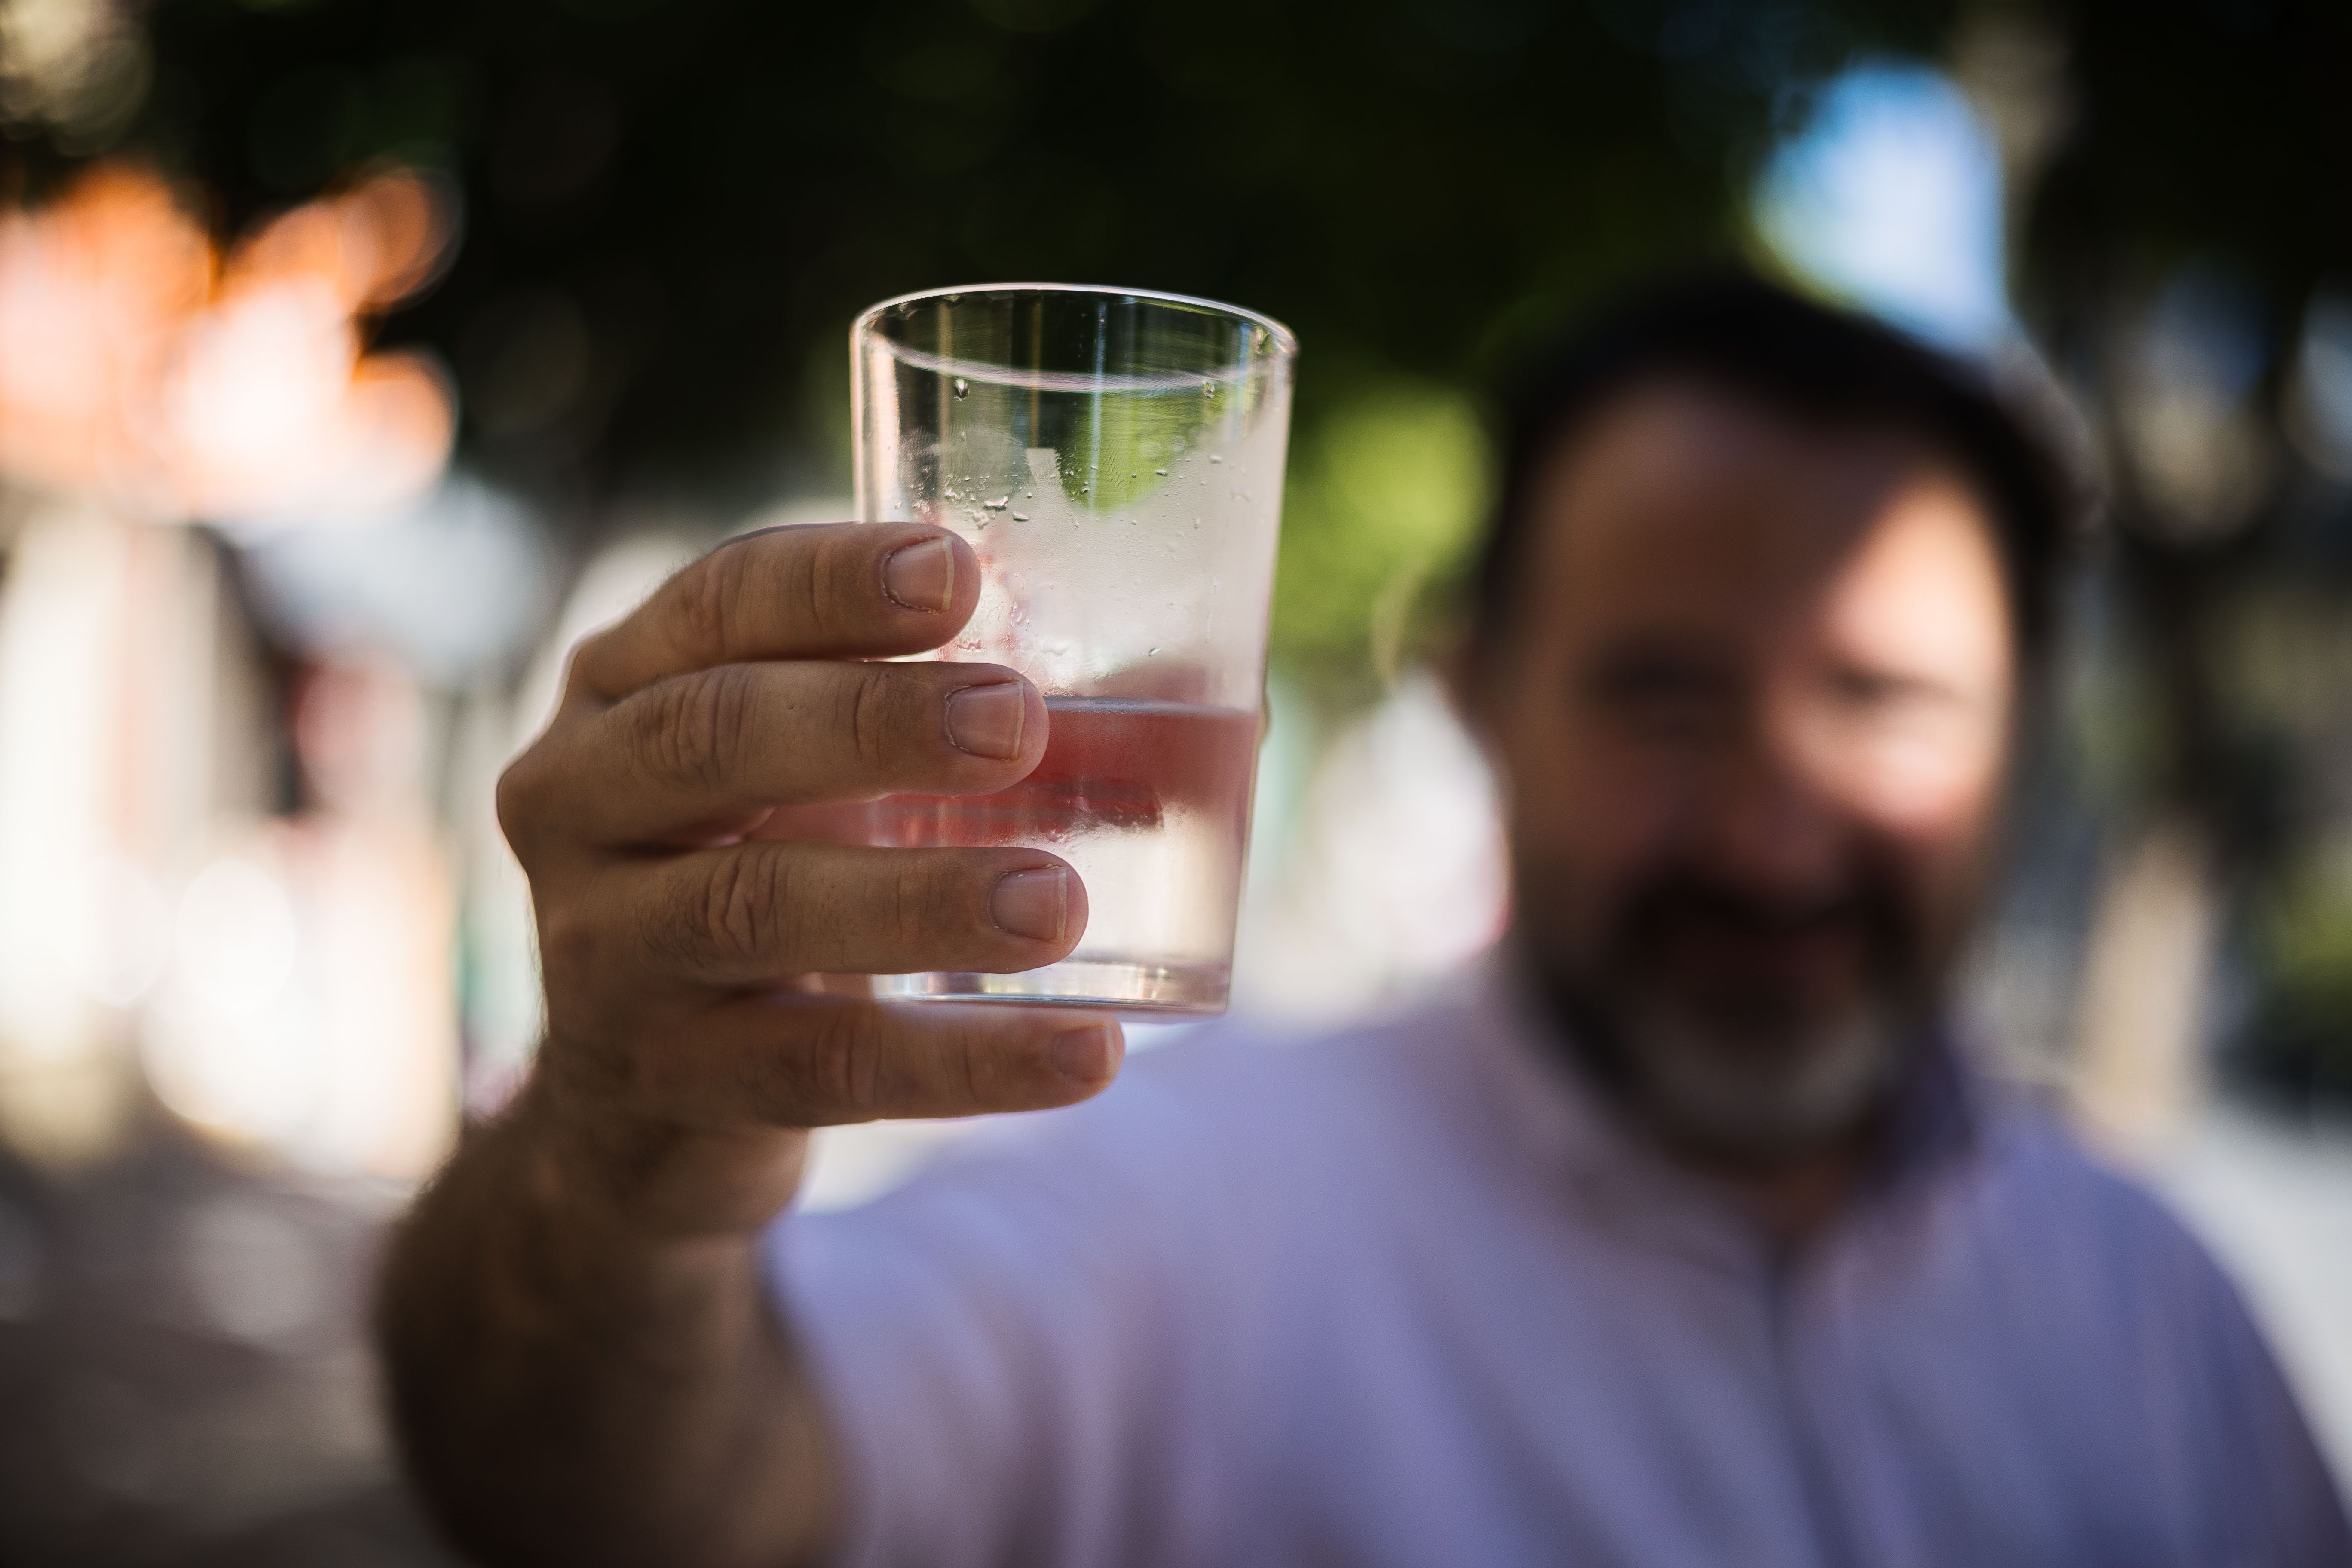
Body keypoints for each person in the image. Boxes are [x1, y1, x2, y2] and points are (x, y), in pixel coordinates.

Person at [375, 274, 2352, 1568]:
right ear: (1481, 692)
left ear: (2021, 737)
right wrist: (614, 1176)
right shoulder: (1187, 1203)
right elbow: (613, 1498)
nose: (1770, 829)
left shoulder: (2165, 1319)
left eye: (1882, 704)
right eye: (1665, 696)